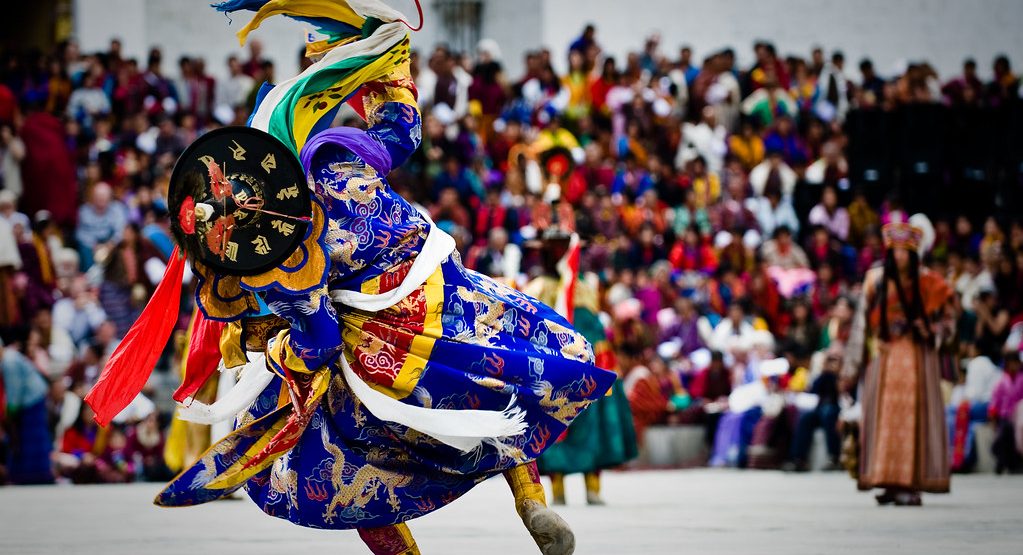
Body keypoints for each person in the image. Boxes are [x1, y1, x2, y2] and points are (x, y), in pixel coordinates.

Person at [86, 3, 614, 555]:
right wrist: (385, 65)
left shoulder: (283, 259)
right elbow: (401, 131)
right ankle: (530, 501)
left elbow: (321, 340)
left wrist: (274, 347)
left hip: (383, 348)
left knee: (336, 466)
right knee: (503, 384)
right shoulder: (338, 160)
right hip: (449, 299)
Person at [843, 214, 952, 506]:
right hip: (884, 357)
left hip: (916, 358)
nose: (901, 256)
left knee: (911, 420)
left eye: (906, 251)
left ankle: (910, 483)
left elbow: (948, 322)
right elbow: (860, 325)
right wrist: (851, 366)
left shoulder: (929, 283)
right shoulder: (876, 281)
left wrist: (928, 329)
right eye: (896, 251)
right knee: (883, 421)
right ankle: (887, 480)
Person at [526, 232, 637, 506]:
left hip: (594, 364)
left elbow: (596, 328)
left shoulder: (587, 285)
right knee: (555, 426)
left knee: (594, 425)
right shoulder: (538, 286)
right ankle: (559, 488)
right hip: (554, 367)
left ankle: (593, 486)